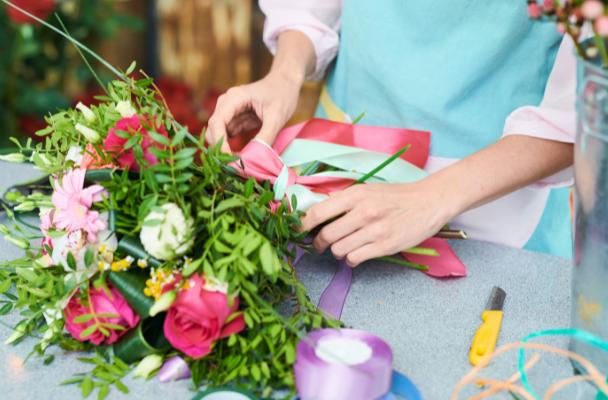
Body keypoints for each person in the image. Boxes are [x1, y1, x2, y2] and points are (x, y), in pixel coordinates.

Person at [206, 1, 576, 267]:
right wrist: (284, 76)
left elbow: (586, 107)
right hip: (331, 177)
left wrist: (432, 198)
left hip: (494, 213)